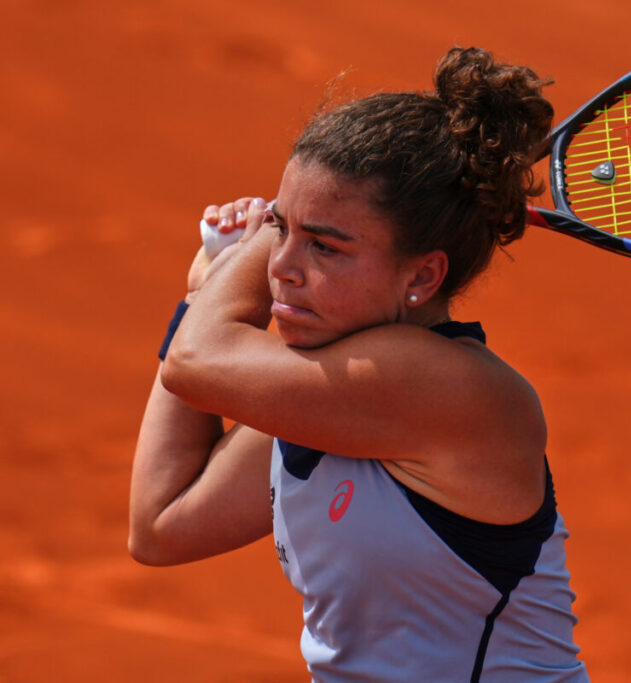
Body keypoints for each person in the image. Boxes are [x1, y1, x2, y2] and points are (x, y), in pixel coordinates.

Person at [128, 46, 589, 681]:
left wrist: (237, 260)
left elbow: (196, 359)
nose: (282, 268)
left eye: (324, 247)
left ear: (422, 276)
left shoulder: (445, 388)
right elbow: (161, 525)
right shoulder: (324, 391)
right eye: (282, 232)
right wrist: (202, 294)